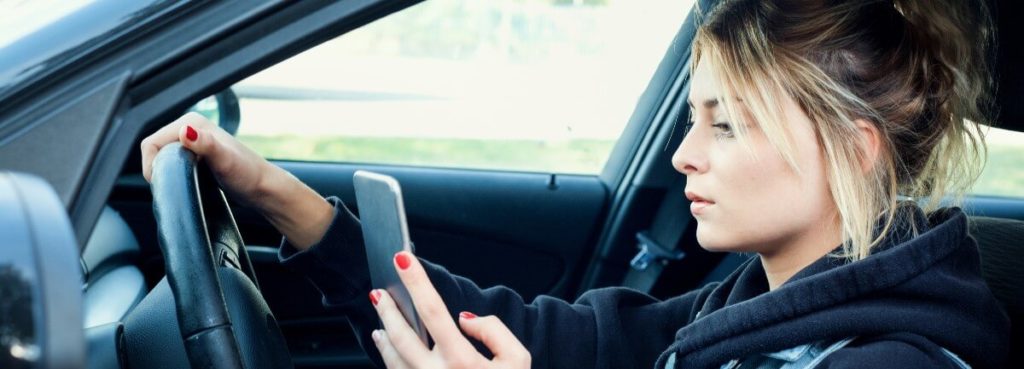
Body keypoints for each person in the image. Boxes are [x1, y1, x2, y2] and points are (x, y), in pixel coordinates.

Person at [140, 0, 1011, 368]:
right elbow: (532, 334)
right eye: (691, 119)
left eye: (728, 123)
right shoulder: (741, 310)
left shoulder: (896, 359)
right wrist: (269, 191)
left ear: (854, 149)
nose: (683, 157)